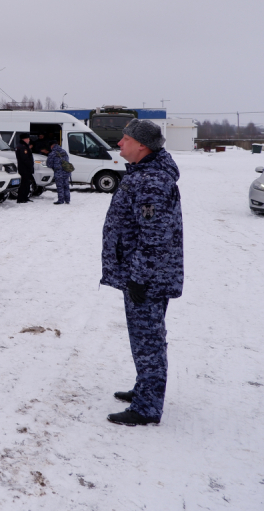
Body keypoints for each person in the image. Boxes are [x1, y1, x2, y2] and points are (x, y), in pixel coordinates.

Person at [102, 119, 183, 426]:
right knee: (144, 338)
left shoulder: (151, 181)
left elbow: (154, 237)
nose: (120, 144)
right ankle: (144, 389)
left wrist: (139, 278)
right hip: (143, 274)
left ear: (142, 145)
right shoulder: (143, 174)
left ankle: (147, 407)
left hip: (147, 278)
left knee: (148, 339)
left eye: (125, 139)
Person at [15, 133, 37, 203]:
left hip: (25, 168)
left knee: (27, 183)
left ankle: (25, 197)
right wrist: (30, 166)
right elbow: (25, 159)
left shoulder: (23, 146)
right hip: (24, 168)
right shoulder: (23, 147)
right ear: (24, 139)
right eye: (27, 138)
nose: (29, 140)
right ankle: (21, 198)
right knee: (24, 184)